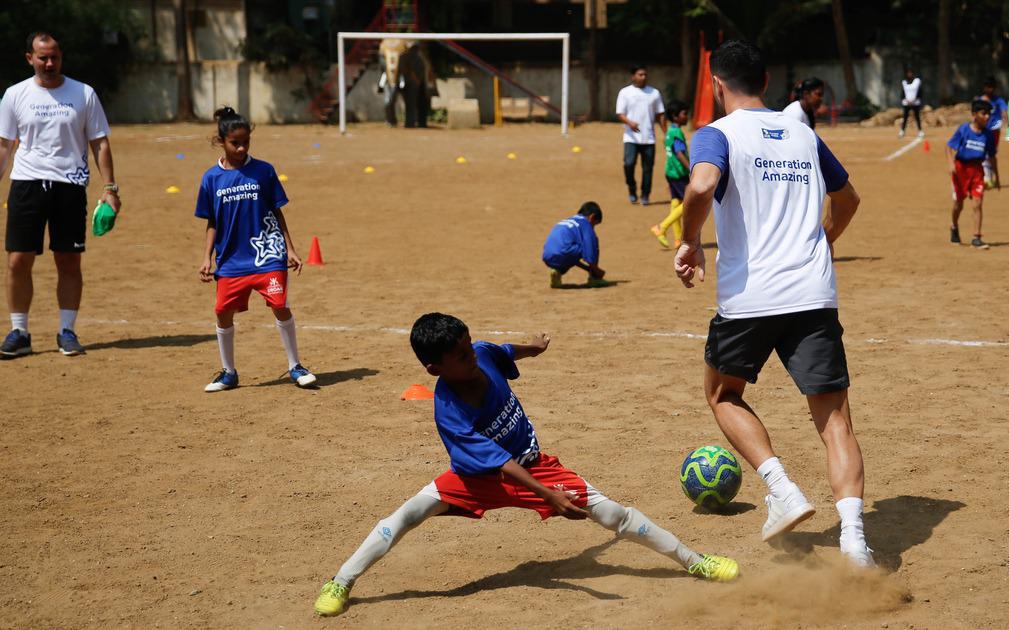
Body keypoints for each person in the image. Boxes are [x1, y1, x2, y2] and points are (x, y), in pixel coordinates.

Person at [312, 313, 740, 617]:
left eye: (468, 346)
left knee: (614, 514)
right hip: (479, 478)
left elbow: (500, 351)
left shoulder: (480, 353)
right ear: (434, 368)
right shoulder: (449, 411)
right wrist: (549, 495)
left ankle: (695, 561)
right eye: (460, 356)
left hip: (535, 466)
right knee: (408, 514)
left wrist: (532, 348)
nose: (471, 356)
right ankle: (341, 581)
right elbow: (498, 464)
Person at [673, 40, 873, 569]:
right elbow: (848, 199)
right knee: (835, 421)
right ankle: (855, 542)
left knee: (722, 394)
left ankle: (782, 488)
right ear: (766, 82)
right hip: (814, 294)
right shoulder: (804, 133)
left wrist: (690, 240)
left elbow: (702, 185)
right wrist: (822, 243)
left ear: (717, 84)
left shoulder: (716, 134)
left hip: (750, 297)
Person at [0, 32, 120, 358]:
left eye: (54, 57)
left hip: (70, 186)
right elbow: (2, 143)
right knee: (18, 260)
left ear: (61, 57)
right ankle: (19, 332)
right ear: (29, 58)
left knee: (69, 260)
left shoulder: (83, 93)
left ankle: (67, 331)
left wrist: (110, 188)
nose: (49, 63)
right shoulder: (15, 94)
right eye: (42, 57)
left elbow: (99, 142)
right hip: (26, 184)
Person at [195, 107, 316, 391]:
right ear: (221, 141)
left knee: (280, 305)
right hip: (231, 260)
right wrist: (206, 257)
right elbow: (212, 222)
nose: (241, 148)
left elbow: (277, 211)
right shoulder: (211, 178)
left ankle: (295, 366)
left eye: (246, 142)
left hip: (267, 254)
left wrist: (290, 248)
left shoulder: (263, 171)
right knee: (222, 312)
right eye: (235, 143)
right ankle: (228, 373)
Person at [946, 100, 997, 250]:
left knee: (977, 203)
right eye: (984, 113)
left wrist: (995, 176)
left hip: (977, 170)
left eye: (989, 114)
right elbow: (949, 147)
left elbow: (992, 157)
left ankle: (976, 237)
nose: (987, 117)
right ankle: (954, 226)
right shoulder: (964, 130)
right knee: (958, 204)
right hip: (961, 169)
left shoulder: (988, 135)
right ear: (974, 115)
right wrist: (950, 163)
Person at [616, 64, 666, 205]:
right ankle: (632, 189)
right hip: (631, 137)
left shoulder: (654, 93)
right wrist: (629, 123)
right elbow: (620, 113)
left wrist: (666, 133)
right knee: (629, 164)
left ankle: (645, 195)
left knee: (647, 169)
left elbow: (660, 114)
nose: (643, 77)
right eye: (640, 74)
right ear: (633, 76)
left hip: (649, 138)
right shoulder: (625, 92)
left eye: (645, 75)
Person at [650, 101, 691, 249]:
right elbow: (679, 153)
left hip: (670, 172)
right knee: (689, 202)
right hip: (679, 173)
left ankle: (678, 239)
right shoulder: (677, 133)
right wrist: (691, 169)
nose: (687, 117)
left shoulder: (669, 132)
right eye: (684, 114)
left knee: (676, 203)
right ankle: (662, 227)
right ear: (675, 116)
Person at [542, 202, 606, 288]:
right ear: (591, 217)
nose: (593, 228)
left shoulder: (567, 220)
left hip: (547, 256)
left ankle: (557, 271)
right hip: (565, 252)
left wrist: (587, 269)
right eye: (594, 224)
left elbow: (571, 257)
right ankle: (594, 278)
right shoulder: (585, 223)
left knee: (568, 252)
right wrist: (596, 270)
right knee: (592, 242)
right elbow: (590, 250)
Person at [979, 77, 1009, 187]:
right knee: (983, 153)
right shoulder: (981, 100)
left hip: (994, 131)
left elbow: (1004, 111)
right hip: (983, 130)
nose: (989, 89)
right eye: (987, 87)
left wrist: (1007, 121)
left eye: (991, 87)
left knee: (991, 154)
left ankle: (990, 176)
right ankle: (986, 177)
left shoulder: (999, 100)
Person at [899, 68, 925, 139]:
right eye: (908, 73)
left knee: (917, 117)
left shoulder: (917, 81)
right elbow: (903, 93)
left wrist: (915, 99)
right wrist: (905, 100)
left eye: (911, 73)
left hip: (915, 103)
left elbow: (920, 91)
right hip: (907, 103)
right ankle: (902, 131)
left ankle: (920, 131)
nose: (909, 74)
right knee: (905, 117)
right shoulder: (904, 82)